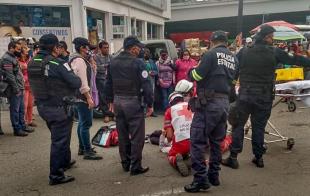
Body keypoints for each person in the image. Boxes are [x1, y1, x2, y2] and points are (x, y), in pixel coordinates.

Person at [222, 24, 310, 169]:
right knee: (259, 127)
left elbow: (234, 69)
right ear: (266, 37)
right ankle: (258, 158)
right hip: (264, 96)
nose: (273, 40)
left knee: (238, 125)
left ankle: (233, 157)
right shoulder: (274, 52)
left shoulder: (244, 51)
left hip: (245, 95)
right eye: (271, 37)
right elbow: (296, 60)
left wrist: (231, 89)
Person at [184, 31, 237, 193]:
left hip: (209, 104)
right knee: (216, 142)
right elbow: (233, 82)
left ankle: (200, 179)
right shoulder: (234, 59)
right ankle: (214, 175)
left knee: (197, 141)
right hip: (224, 103)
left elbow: (197, 75)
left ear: (213, 42)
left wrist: (190, 71)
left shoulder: (211, 54)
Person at [28, 34, 81, 185]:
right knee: (59, 141)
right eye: (57, 46)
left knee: (61, 137)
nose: (59, 49)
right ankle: (56, 175)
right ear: (54, 47)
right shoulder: (57, 63)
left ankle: (64, 162)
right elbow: (75, 82)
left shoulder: (33, 62)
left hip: (44, 106)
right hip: (59, 107)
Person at [105, 36, 154, 175]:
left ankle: (125, 164)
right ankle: (135, 166)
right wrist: (150, 104)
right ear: (133, 48)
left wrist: (109, 101)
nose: (140, 50)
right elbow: (147, 86)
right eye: (138, 48)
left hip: (118, 101)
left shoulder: (113, 62)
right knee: (137, 136)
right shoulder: (138, 63)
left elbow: (108, 83)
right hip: (133, 102)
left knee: (122, 134)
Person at [70, 37, 102, 160]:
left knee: (82, 123)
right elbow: (83, 82)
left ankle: (82, 147)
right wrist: (89, 98)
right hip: (82, 97)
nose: (91, 51)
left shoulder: (78, 59)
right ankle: (87, 150)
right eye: (88, 48)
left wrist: (92, 64)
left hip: (78, 97)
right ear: (82, 48)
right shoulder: (79, 61)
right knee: (86, 124)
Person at [0, 40, 35, 136]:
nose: (19, 51)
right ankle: (17, 129)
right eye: (18, 49)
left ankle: (23, 126)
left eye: (20, 49)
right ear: (11, 48)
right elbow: (10, 76)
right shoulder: (7, 58)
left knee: (21, 109)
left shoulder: (13, 57)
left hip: (20, 87)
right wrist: (16, 89)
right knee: (15, 109)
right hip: (14, 89)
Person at [163, 92, 192, 176]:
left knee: (171, 154)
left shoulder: (169, 111)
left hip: (181, 142)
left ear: (171, 103)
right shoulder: (192, 105)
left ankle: (175, 160)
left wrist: (168, 142)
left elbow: (169, 136)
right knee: (195, 151)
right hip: (198, 140)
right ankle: (194, 158)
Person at [94, 40, 114, 119]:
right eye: (105, 48)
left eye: (107, 47)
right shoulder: (96, 57)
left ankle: (113, 113)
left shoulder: (111, 56)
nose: (107, 49)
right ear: (100, 48)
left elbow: (112, 67)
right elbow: (99, 68)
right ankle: (106, 114)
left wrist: (105, 66)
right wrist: (107, 66)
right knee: (102, 97)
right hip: (100, 79)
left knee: (111, 96)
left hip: (109, 80)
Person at [18, 45, 36, 127]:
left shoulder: (29, 59)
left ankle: (29, 120)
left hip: (31, 84)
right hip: (24, 85)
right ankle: (23, 122)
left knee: (30, 104)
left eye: (27, 50)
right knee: (24, 105)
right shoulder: (18, 61)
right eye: (24, 51)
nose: (26, 52)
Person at [144, 48, 158, 117]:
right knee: (144, 95)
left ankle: (152, 111)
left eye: (148, 53)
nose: (146, 54)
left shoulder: (151, 61)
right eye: (145, 53)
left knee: (151, 95)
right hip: (143, 81)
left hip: (151, 81)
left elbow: (156, 71)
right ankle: (144, 112)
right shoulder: (141, 61)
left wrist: (152, 72)